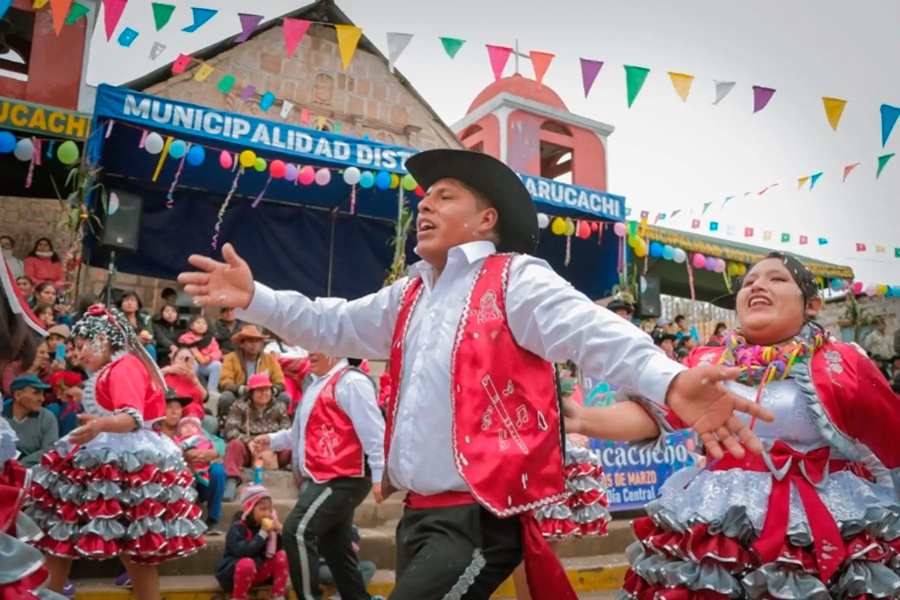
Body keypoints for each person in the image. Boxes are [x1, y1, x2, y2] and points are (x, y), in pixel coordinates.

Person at [179, 149, 772, 600]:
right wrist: (255, 298)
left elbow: (591, 331)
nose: (424, 206)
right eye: (424, 198)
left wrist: (669, 380)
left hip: (480, 515)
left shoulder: (516, 277)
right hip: (418, 514)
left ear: (487, 218)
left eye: (444, 197)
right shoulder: (409, 294)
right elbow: (330, 324)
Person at [608, 252, 900, 599]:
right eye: (749, 282)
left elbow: (893, 441)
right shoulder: (707, 361)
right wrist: (578, 419)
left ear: (811, 305)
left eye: (777, 278)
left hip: (828, 512)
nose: (758, 285)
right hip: (718, 515)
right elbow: (651, 415)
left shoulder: (842, 362)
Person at [25, 304, 206, 599]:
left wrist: (100, 425)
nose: (78, 355)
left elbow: (131, 417)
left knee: (121, 547)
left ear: (102, 340)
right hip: (108, 452)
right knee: (71, 539)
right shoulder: (115, 367)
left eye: (82, 346)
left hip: (123, 458)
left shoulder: (124, 367)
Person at [250, 352, 386, 600]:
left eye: (318, 346)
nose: (310, 353)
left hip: (345, 477)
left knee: (296, 531)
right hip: (326, 476)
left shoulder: (351, 381)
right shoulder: (317, 383)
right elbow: (301, 431)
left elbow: (374, 431)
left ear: (336, 349)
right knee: (335, 546)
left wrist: (380, 474)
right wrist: (272, 440)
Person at [153, 388, 226, 535]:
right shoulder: (154, 432)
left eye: (178, 408)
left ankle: (213, 519)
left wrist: (212, 453)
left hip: (200, 476)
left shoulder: (188, 426)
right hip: (172, 480)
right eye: (169, 407)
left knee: (218, 472)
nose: (175, 412)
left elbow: (218, 441)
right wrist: (183, 455)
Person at [222, 373, 292, 501]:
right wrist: (249, 442)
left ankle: (303, 482)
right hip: (249, 449)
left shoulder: (279, 406)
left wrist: (272, 447)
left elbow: (287, 431)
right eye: (259, 390)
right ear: (251, 392)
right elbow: (231, 430)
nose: (264, 393)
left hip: (274, 449)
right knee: (234, 445)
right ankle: (231, 481)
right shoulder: (239, 406)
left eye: (267, 389)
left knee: (296, 446)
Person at [214, 484, 289, 600]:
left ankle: (278, 595)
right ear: (249, 509)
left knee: (282, 556)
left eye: (269, 509)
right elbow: (243, 552)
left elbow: (275, 551)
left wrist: (278, 532)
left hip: (258, 572)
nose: (266, 513)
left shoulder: (267, 527)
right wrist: (262, 534)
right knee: (247, 564)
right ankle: (239, 597)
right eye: (262, 509)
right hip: (237, 574)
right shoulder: (238, 528)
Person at [218, 325, 291, 420]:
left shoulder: (269, 359)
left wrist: (268, 391)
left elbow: (280, 382)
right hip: (241, 395)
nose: (254, 344)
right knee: (226, 397)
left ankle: (272, 423)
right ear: (241, 344)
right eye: (250, 341)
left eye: (257, 341)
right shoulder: (231, 358)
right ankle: (229, 423)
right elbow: (225, 382)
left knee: (284, 397)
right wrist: (244, 389)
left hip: (265, 396)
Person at [1, 374, 59, 467]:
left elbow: (49, 450)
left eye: (42, 394)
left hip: (33, 471)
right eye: (36, 393)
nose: (42, 399)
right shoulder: (2, 416)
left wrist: (19, 465)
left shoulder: (46, 417)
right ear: (18, 395)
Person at [162, 346, 218, 434]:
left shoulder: (194, 377)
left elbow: (205, 398)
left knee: (211, 422)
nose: (183, 362)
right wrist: (168, 369)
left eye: (187, 359)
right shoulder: (165, 375)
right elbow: (151, 377)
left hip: (196, 418)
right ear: (173, 361)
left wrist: (195, 381)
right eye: (180, 358)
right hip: (176, 418)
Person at [178, 315, 223, 392]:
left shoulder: (210, 339)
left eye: (204, 323)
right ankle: (190, 389)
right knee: (193, 362)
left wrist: (209, 357)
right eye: (198, 322)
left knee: (217, 365)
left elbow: (217, 351)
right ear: (192, 326)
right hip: (190, 365)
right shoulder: (184, 338)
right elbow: (182, 351)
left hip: (205, 364)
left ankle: (211, 390)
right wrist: (194, 353)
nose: (201, 325)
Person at [176, 416, 215, 485]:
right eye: (185, 426)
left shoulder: (202, 439)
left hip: (198, 464)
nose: (189, 428)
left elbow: (207, 447)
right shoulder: (176, 440)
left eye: (193, 426)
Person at [117, 291, 156, 360]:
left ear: (137, 306)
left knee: (150, 348)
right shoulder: (117, 319)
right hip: (125, 349)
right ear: (121, 305)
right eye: (126, 300)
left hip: (143, 347)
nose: (129, 303)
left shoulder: (144, 319)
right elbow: (117, 341)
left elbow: (153, 339)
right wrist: (135, 340)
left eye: (132, 300)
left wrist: (148, 339)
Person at [152, 303, 183, 367]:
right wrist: (172, 346)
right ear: (162, 313)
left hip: (179, 353)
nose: (170, 313)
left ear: (177, 315)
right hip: (162, 352)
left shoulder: (182, 326)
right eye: (167, 311)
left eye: (173, 311)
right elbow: (160, 338)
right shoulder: (156, 325)